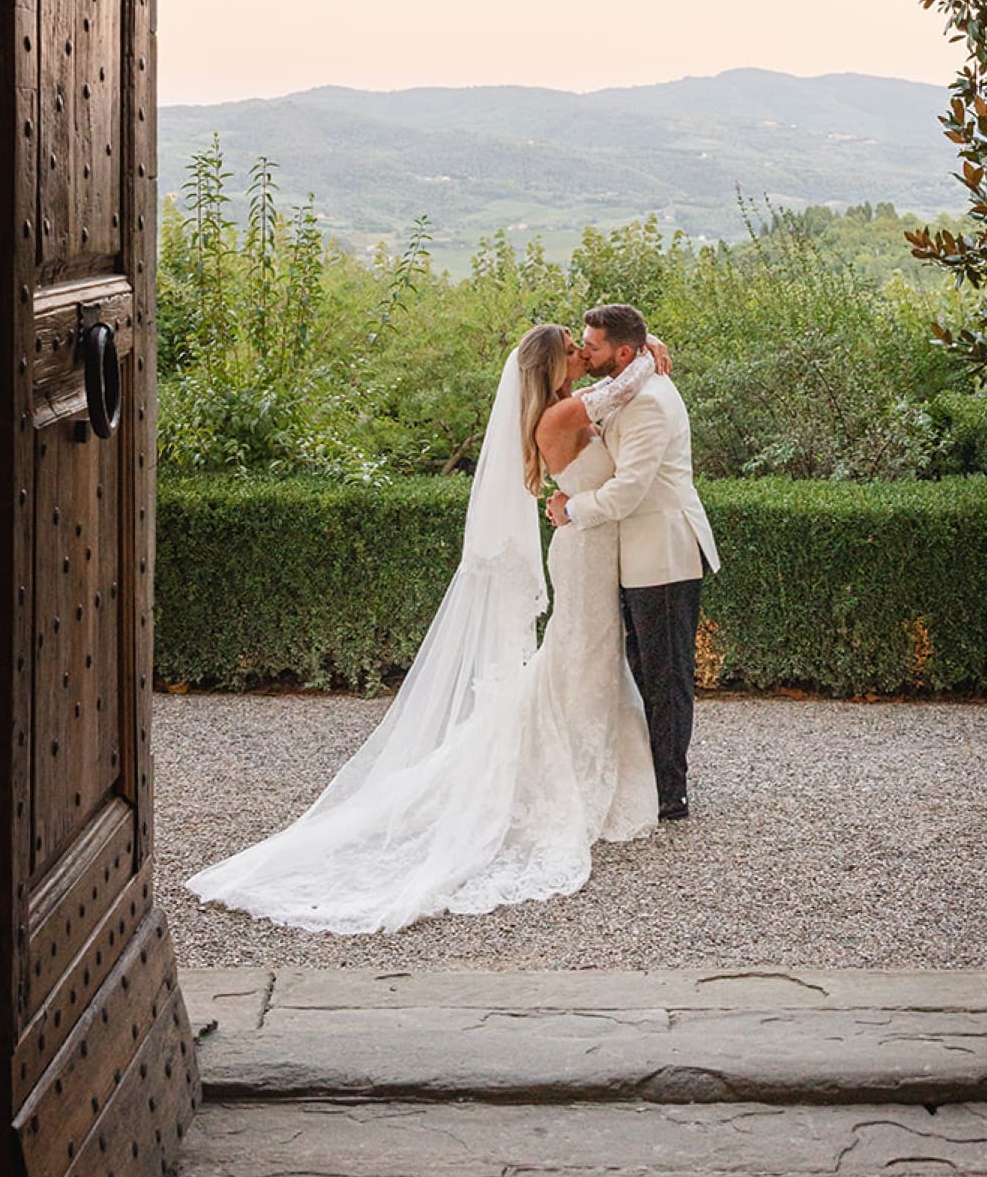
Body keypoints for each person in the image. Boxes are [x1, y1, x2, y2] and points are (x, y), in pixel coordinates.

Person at [183, 323, 665, 934]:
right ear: (552, 366)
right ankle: (573, 776)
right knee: (581, 657)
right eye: (573, 349)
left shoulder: (557, 408)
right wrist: (648, 348)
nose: (582, 354)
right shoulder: (563, 412)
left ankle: (586, 762)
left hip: (589, 545)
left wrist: (646, 346)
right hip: (585, 550)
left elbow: (621, 384)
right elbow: (627, 384)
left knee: (583, 660)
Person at [547, 302, 720, 820]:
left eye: (593, 346)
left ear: (621, 352)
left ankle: (671, 791)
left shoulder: (647, 401)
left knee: (665, 675)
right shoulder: (626, 378)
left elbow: (627, 493)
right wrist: (649, 344)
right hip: (632, 553)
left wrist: (570, 510)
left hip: (662, 553)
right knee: (645, 668)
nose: (585, 352)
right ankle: (649, 775)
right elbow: (623, 347)